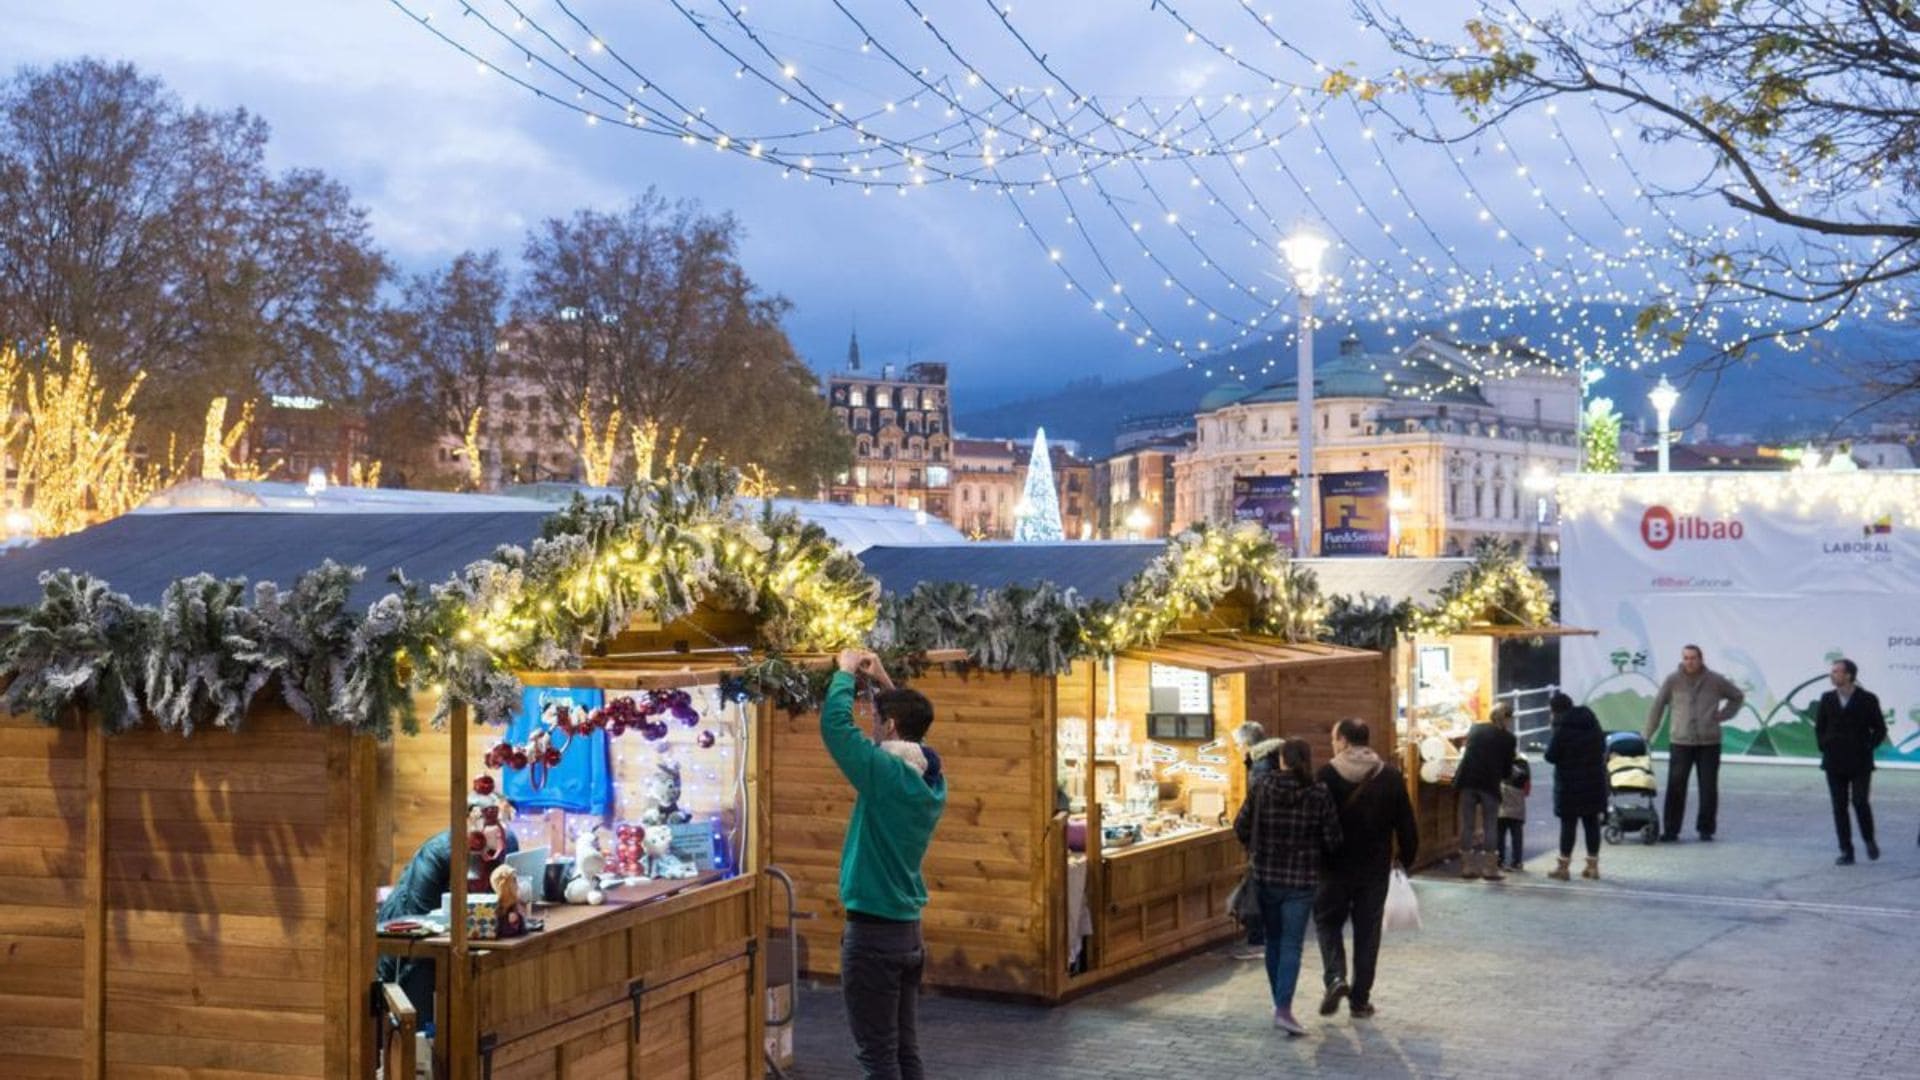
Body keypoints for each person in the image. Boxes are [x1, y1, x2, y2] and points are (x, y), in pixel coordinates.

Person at [821, 648, 947, 1080]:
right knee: (904, 1050)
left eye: (878, 721)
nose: (873, 729)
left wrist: (842, 676)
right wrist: (884, 681)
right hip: (908, 933)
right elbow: (913, 736)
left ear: (890, 727)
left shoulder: (883, 774)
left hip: (873, 935)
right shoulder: (931, 780)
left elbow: (836, 729)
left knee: (877, 1056)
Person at [1235, 738, 1342, 1037]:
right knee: (1291, 944)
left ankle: (1279, 1004)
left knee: (1273, 941)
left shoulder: (1262, 787)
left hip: (1266, 876)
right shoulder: (1318, 792)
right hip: (1302, 880)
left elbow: (1240, 825)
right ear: (1307, 760)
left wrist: (1257, 848)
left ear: (1281, 760)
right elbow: (1333, 838)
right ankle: (1283, 1007)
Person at [1313, 718, 1418, 1021]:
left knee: (1327, 923)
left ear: (1344, 740)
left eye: (1335, 739)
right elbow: (1407, 826)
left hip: (1334, 867)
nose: (1334, 745)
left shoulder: (1327, 775)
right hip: (1374, 869)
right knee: (1367, 933)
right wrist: (1405, 860)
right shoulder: (1391, 777)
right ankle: (1360, 1001)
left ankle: (1335, 977)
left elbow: (1317, 822)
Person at [1643, 644, 1745, 842]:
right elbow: (1658, 706)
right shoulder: (1673, 680)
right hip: (1681, 742)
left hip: (1709, 743)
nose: (1689, 661)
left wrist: (1724, 715)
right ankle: (1671, 830)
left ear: (1701, 659)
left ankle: (1706, 829)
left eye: (1693, 658)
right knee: (1675, 786)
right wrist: (1647, 734)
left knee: (1708, 787)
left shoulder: (1715, 680)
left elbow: (1737, 696)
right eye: (1686, 658)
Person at [1815, 658, 1887, 866]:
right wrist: (1824, 745)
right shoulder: (1827, 698)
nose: (1832, 674)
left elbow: (1880, 729)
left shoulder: (1868, 699)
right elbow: (1820, 727)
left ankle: (1868, 838)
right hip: (1834, 761)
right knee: (1839, 806)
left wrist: (1868, 746)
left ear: (1848, 675)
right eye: (1833, 671)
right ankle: (1846, 850)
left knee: (1860, 801)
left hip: (1859, 761)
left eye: (1837, 671)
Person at [1544, 693, 1608, 881]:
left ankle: (1563, 868)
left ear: (1555, 710)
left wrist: (1553, 730)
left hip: (1569, 785)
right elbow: (1602, 746)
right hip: (1593, 782)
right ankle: (1593, 867)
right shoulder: (1592, 722)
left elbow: (1550, 756)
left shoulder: (1562, 728)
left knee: (1568, 825)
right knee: (1591, 823)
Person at [1451, 702, 1518, 880]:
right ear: (1508, 718)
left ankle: (1467, 867)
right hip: (1489, 784)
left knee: (1467, 824)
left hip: (1467, 780)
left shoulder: (1476, 729)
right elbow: (1506, 770)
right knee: (1490, 825)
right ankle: (1490, 869)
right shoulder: (1508, 739)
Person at [1497, 753, 1532, 873]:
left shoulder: (1497, 758)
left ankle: (1499, 860)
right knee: (1516, 833)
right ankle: (1517, 861)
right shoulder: (1522, 762)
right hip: (1517, 799)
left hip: (1501, 797)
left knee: (1500, 832)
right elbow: (1527, 785)